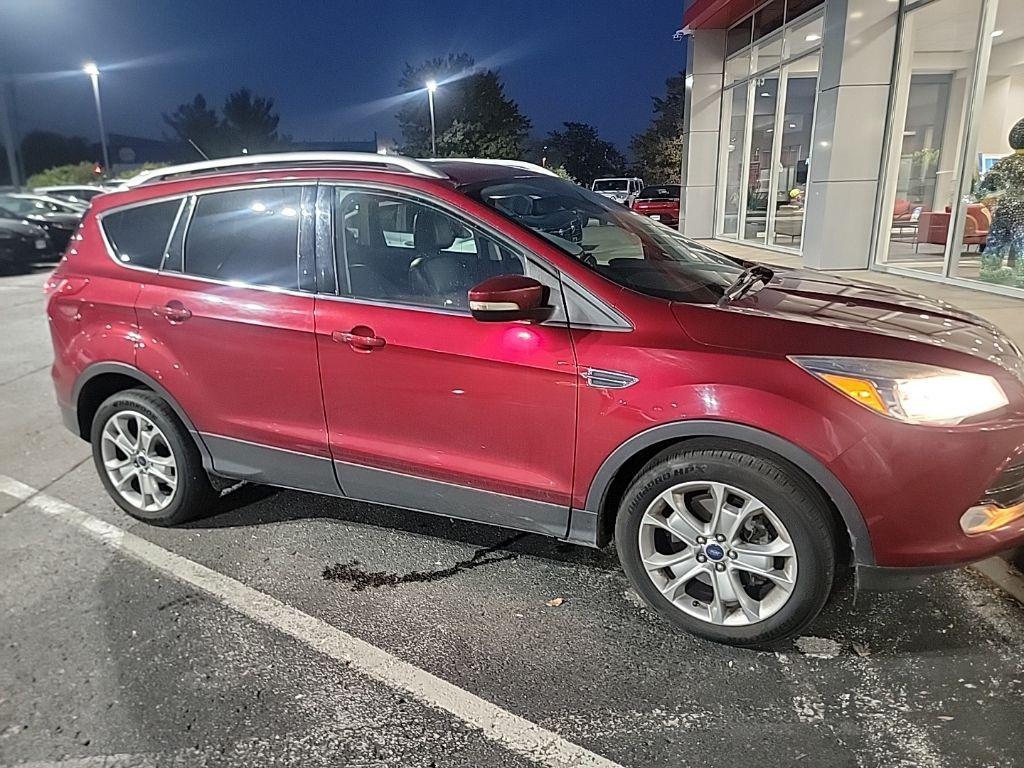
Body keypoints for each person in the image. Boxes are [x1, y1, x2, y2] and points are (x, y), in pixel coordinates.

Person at [978, 117, 1024, 283]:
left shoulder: (1003, 163)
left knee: (997, 240)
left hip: (1002, 209)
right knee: (1022, 241)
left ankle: (990, 268)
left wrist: (991, 202)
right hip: (1021, 211)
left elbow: (984, 189)